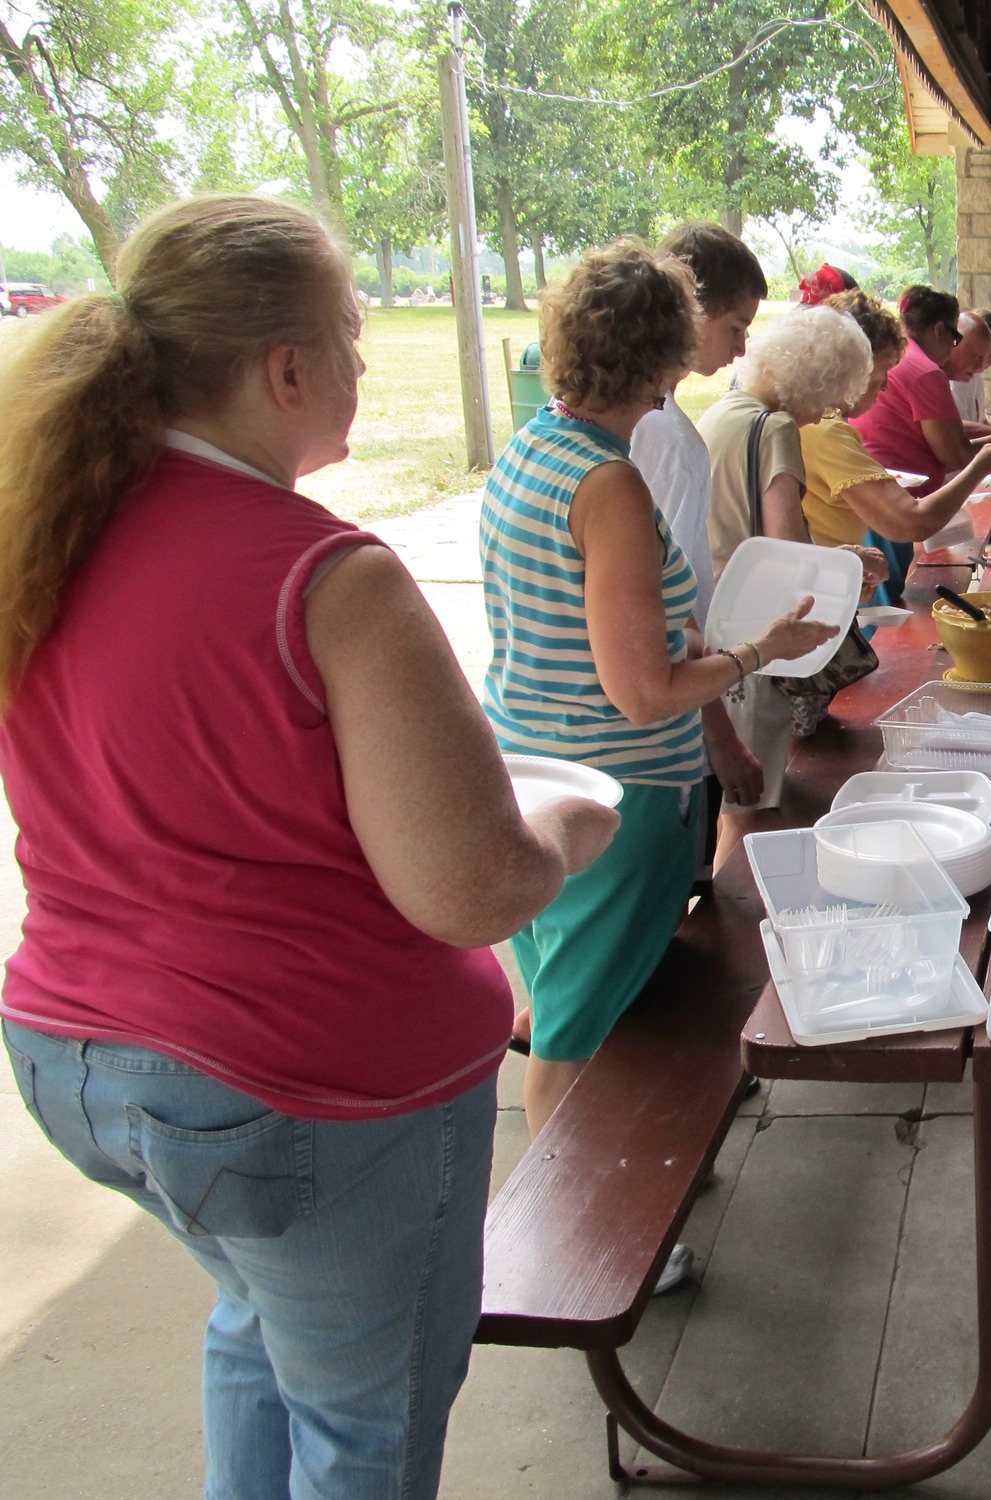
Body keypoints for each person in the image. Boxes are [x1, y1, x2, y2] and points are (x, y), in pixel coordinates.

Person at [0, 194, 620, 1499]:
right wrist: (566, 820)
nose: (359, 363)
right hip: (302, 1089)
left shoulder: (44, 530)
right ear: (288, 369)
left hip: (81, 1062)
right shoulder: (331, 576)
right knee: (366, 1421)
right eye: (350, 336)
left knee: (260, 1316)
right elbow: (469, 889)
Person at [482, 239, 836, 1145]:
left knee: (574, 987)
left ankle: (600, 1192)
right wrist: (763, 650)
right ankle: (566, 1232)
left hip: (528, 764)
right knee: (575, 1029)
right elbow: (644, 691)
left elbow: (612, 620)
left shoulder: (532, 448)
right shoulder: (609, 482)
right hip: (617, 790)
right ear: (663, 355)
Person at [696, 305, 887, 864]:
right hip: (761, 639)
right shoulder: (775, 427)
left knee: (735, 802)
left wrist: (843, 556)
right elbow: (787, 548)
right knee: (750, 806)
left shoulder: (723, 413)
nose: (826, 413)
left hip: (720, 622)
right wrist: (850, 572)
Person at [629, 220, 771, 897]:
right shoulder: (658, 434)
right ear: (693, 311)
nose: (742, 346)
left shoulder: (657, 420)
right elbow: (663, 604)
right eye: (736, 326)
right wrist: (721, 734)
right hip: (667, 733)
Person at [804, 289, 991, 562]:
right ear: (853, 365)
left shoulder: (817, 420)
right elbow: (912, 521)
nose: (885, 384)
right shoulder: (826, 430)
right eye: (882, 371)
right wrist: (983, 463)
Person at [849, 285, 991, 599]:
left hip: (883, 492)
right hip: (891, 499)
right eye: (956, 339)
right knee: (885, 597)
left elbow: (949, 429)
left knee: (879, 592)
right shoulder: (924, 370)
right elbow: (953, 453)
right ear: (938, 331)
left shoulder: (912, 361)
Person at [950, 308, 991, 432]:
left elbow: (981, 421)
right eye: (990, 354)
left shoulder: (975, 377)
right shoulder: (956, 380)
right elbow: (959, 429)